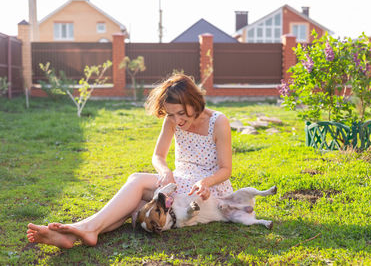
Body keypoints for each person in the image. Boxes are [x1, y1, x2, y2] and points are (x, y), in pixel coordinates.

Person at [26, 74, 233, 248]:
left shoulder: (218, 122)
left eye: (181, 113)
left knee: (137, 181)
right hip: (179, 182)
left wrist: (206, 182)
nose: (177, 120)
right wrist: (164, 171)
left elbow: (226, 169)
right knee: (135, 203)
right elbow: (158, 156)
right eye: (171, 114)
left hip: (207, 190)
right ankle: (75, 234)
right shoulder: (172, 121)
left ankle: (83, 229)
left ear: (194, 102)